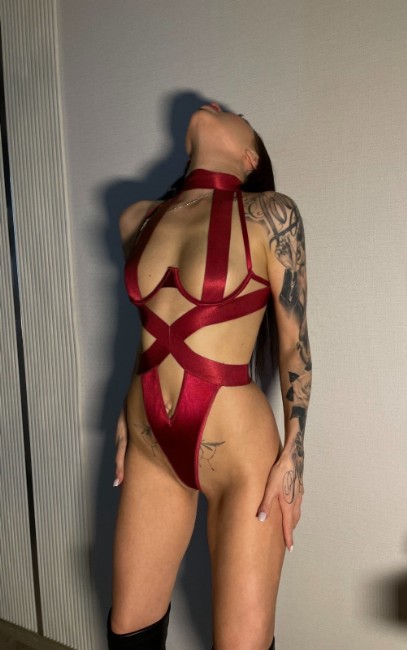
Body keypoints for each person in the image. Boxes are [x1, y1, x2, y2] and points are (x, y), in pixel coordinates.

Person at [106, 102, 312, 650]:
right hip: (151, 446)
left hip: (242, 462)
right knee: (128, 634)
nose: (215, 106)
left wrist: (294, 451)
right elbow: (151, 325)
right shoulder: (137, 218)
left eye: (234, 112)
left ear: (250, 157)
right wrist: (128, 409)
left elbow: (293, 344)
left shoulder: (272, 215)